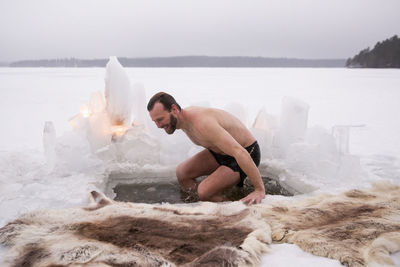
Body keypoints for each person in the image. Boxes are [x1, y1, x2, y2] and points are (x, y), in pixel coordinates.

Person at [147, 92, 265, 205]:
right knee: (182, 173)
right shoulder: (182, 120)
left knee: (204, 191)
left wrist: (259, 189)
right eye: (155, 122)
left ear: (174, 109)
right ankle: (203, 203)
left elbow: (239, 152)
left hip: (247, 152)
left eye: (160, 119)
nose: (158, 126)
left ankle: (234, 208)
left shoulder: (202, 123)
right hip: (221, 153)